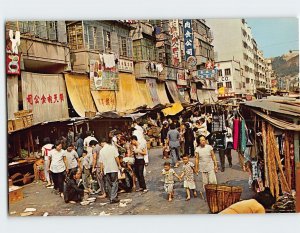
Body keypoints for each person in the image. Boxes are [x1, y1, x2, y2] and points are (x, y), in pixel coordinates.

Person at [99, 137, 121, 204]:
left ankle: (111, 196)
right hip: (113, 168)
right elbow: (116, 157)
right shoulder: (112, 148)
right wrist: (119, 165)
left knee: (108, 183)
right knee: (114, 182)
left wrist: (101, 170)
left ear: (103, 143)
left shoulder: (101, 151)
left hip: (106, 169)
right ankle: (113, 197)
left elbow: (101, 162)